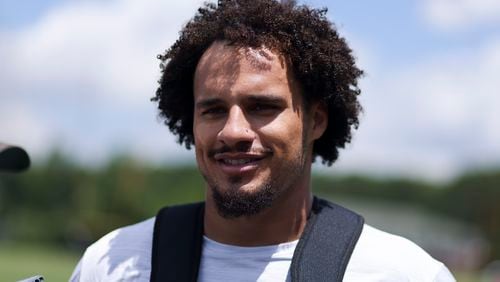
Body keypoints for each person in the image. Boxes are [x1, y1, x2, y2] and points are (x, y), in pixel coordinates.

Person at [71, 0, 456, 281]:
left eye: (261, 107)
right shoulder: (110, 263)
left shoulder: (404, 273)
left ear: (316, 120)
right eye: (213, 109)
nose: (233, 131)